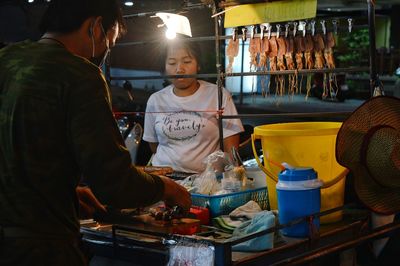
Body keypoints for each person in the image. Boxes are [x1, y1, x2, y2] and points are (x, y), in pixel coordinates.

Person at [0, 0, 190, 265]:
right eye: (108, 44)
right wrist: (166, 188)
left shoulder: (6, 59)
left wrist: (69, 193)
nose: (104, 53)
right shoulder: (80, 75)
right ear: (96, 26)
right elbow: (114, 182)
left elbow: (20, 154)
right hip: (41, 249)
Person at [143, 38, 244, 173]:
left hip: (207, 181)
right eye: (172, 63)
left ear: (198, 64)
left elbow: (231, 150)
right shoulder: (155, 100)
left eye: (187, 61)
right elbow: (154, 146)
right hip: (165, 178)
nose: (179, 69)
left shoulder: (219, 95)